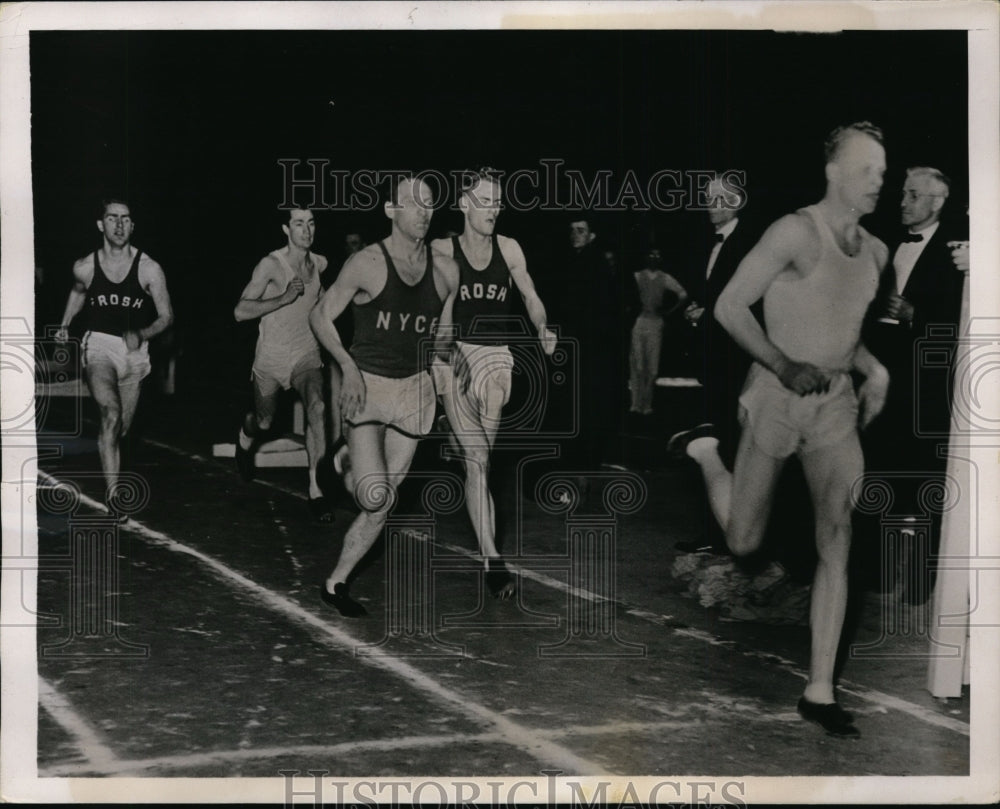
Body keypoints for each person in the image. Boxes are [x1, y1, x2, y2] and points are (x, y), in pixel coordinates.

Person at [690, 122, 891, 737]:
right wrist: (783, 365)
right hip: (777, 395)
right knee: (744, 542)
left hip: (833, 405)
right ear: (833, 172)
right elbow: (728, 306)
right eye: (865, 170)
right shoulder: (794, 232)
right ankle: (707, 458)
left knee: (838, 534)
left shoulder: (877, 253)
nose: (876, 182)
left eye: (882, 172)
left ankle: (819, 690)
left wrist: (873, 369)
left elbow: (844, 327)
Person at [310, 176, 458, 617]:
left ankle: (335, 584)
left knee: (384, 503)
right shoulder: (367, 262)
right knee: (374, 497)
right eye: (413, 203)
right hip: (368, 386)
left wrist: (447, 381)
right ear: (392, 211)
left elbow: (443, 341)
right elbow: (320, 317)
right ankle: (344, 459)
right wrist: (348, 368)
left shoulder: (447, 271)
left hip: (414, 390)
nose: (423, 211)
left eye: (429, 203)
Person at [430, 168, 557, 599]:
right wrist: (441, 356)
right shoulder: (443, 249)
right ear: (465, 204)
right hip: (455, 354)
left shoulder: (510, 248)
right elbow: (430, 306)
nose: (494, 209)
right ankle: (492, 560)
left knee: (480, 459)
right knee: (478, 459)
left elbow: (530, 295)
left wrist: (542, 327)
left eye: (498, 201)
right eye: (484, 200)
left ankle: (455, 440)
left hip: (496, 356)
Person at [861, 166, 966, 604]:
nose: (903, 202)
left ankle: (921, 585)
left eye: (914, 195)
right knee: (876, 471)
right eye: (903, 194)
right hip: (882, 369)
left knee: (925, 479)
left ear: (938, 201)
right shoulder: (884, 243)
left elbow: (962, 322)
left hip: (926, 380)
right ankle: (877, 575)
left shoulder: (958, 253)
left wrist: (913, 316)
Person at [56, 199, 174, 519]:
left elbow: (166, 316)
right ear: (101, 224)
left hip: (135, 353)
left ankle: (112, 463)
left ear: (132, 226)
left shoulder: (149, 268)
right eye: (112, 218)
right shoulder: (86, 265)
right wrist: (66, 325)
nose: (119, 225)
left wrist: (143, 333)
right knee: (110, 414)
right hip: (99, 347)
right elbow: (80, 290)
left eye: (125, 219)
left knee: (121, 428)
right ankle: (115, 497)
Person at [233, 207, 332, 523]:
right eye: (299, 224)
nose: (307, 230)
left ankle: (317, 489)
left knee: (317, 407)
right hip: (271, 359)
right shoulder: (271, 266)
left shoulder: (319, 264)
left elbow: (323, 304)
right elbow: (240, 311)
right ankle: (245, 441)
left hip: (306, 354)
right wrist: (284, 298)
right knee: (263, 422)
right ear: (286, 229)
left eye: (311, 223)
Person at [628, 246, 688, 417]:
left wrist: (669, 311)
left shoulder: (664, 277)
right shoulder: (638, 276)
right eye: (651, 254)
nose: (654, 257)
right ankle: (635, 404)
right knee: (638, 365)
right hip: (639, 321)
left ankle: (647, 404)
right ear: (645, 257)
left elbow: (682, 294)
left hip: (656, 322)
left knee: (652, 367)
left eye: (657, 255)